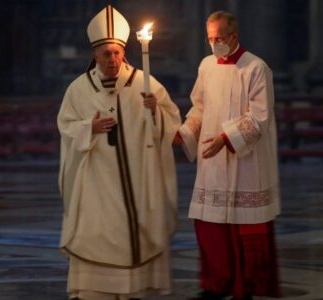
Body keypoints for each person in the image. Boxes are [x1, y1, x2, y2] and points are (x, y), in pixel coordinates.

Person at [57, 5, 181, 300]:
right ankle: (94, 290)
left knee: (133, 235)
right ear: (94, 55)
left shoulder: (144, 84)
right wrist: (90, 127)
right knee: (95, 234)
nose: (112, 59)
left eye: (116, 53)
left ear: (124, 52)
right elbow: (65, 125)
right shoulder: (79, 89)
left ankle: (132, 288)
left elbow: (171, 123)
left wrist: (156, 114)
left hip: (137, 180)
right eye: (105, 54)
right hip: (97, 182)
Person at [176, 11, 281, 300]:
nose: (214, 44)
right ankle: (215, 284)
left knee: (244, 228)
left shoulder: (256, 68)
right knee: (210, 226)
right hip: (212, 162)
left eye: (219, 38)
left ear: (234, 36)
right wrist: (184, 133)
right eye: (210, 39)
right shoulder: (206, 66)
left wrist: (226, 138)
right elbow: (199, 108)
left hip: (245, 162)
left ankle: (245, 287)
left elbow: (259, 118)